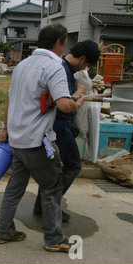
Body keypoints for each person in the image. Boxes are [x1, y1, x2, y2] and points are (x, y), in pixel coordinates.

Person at [0, 23, 85, 252]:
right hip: (40, 141)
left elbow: (11, 101)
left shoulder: (22, 66)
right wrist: (78, 99)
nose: (65, 48)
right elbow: (65, 105)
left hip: (18, 140)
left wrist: (6, 128)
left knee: (14, 188)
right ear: (59, 43)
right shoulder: (54, 67)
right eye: (65, 43)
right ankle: (54, 239)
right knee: (52, 186)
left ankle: (4, 231)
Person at [33, 40, 101, 221]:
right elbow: (63, 102)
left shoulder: (63, 68)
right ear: (83, 59)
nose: (85, 67)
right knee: (73, 165)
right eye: (87, 64)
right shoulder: (62, 70)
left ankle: (43, 204)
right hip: (58, 127)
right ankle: (50, 204)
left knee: (52, 168)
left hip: (52, 127)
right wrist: (79, 94)